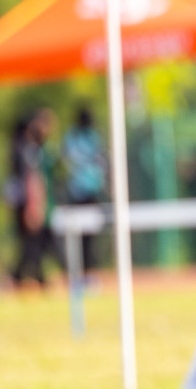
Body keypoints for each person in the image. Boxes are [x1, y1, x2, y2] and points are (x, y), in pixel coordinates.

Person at [9, 109, 60, 287]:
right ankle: (23, 275)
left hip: (34, 203)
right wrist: (34, 205)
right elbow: (31, 180)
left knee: (35, 243)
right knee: (33, 242)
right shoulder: (28, 151)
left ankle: (28, 274)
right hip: (31, 203)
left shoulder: (32, 150)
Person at [62, 107, 108, 275]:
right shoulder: (80, 137)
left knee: (90, 234)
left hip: (88, 190)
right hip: (79, 190)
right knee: (80, 235)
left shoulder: (89, 136)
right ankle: (80, 270)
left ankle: (87, 269)